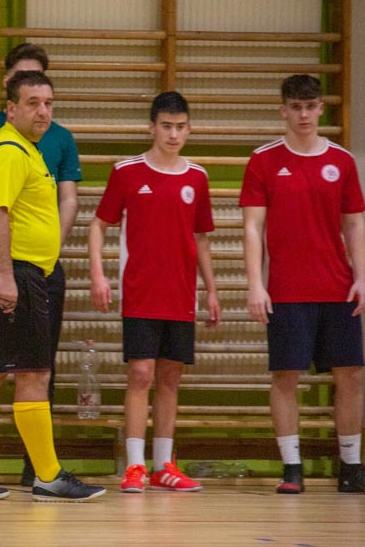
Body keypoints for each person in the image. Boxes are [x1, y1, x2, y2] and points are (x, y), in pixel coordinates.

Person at [0, 70, 105, 502]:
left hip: (12, 270)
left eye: (48, 103)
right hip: (13, 272)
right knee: (33, 372)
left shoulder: (26, 150)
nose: (43, 111)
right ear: (10, 109)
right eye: (33, 103)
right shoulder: (10, 150)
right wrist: (6, 276)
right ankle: (48, 476)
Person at [89, 91, 220, 493]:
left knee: (170, 377)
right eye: (166, 126)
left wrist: (211, 290)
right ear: (152, 127)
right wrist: (98, 274)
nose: (173, 134)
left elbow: (201, 238)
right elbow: (98, 225)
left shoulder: (197, 177)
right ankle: (134, 466)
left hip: (181, 294)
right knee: (141, 374)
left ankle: (164, 465)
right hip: (141, 292)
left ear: (189, 129)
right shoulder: (126, 172)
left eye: (180, 127)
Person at [240, 74, 365, 494]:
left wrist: (362, 276)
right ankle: (292, 468)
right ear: (283, 110)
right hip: (287, 289)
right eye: (296, 107)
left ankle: (351, 466)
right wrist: (255, 284)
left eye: (311, 106)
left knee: (351, 375)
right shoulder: (263, 160)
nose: (304, 114)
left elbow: (354, 224)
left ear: (322, 108)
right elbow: (252, 228)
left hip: (337, 287)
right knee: (285, 377)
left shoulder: (342, 161)